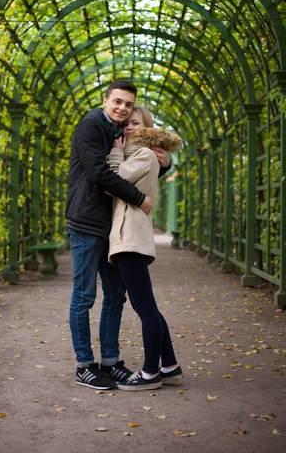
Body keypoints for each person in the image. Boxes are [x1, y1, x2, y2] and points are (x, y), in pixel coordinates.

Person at [66, 80, 171, 390]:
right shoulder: (91, 124)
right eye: (118, 102)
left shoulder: (119, 129)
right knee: (84, 297)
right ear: (106, 100)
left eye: (128, 104)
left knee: (115, 296)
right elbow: (100, 173)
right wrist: (139, 199)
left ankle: (110, 362)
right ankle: (84, 365)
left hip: (111, 228)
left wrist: (166, 161)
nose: (123, 108)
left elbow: (141, 160)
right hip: (86, 222)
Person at [107, 106, 183, 391]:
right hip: (133, 236)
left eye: (135, 123)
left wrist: (114, 152)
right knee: (149, 306)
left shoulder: (142, 154)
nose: (128, 127)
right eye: (125, 123)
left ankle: (150, 373)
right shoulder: (146, 155)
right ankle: (169, 364)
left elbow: (111, 182)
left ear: (147, 127)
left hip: (130, 237)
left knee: (145, 308)